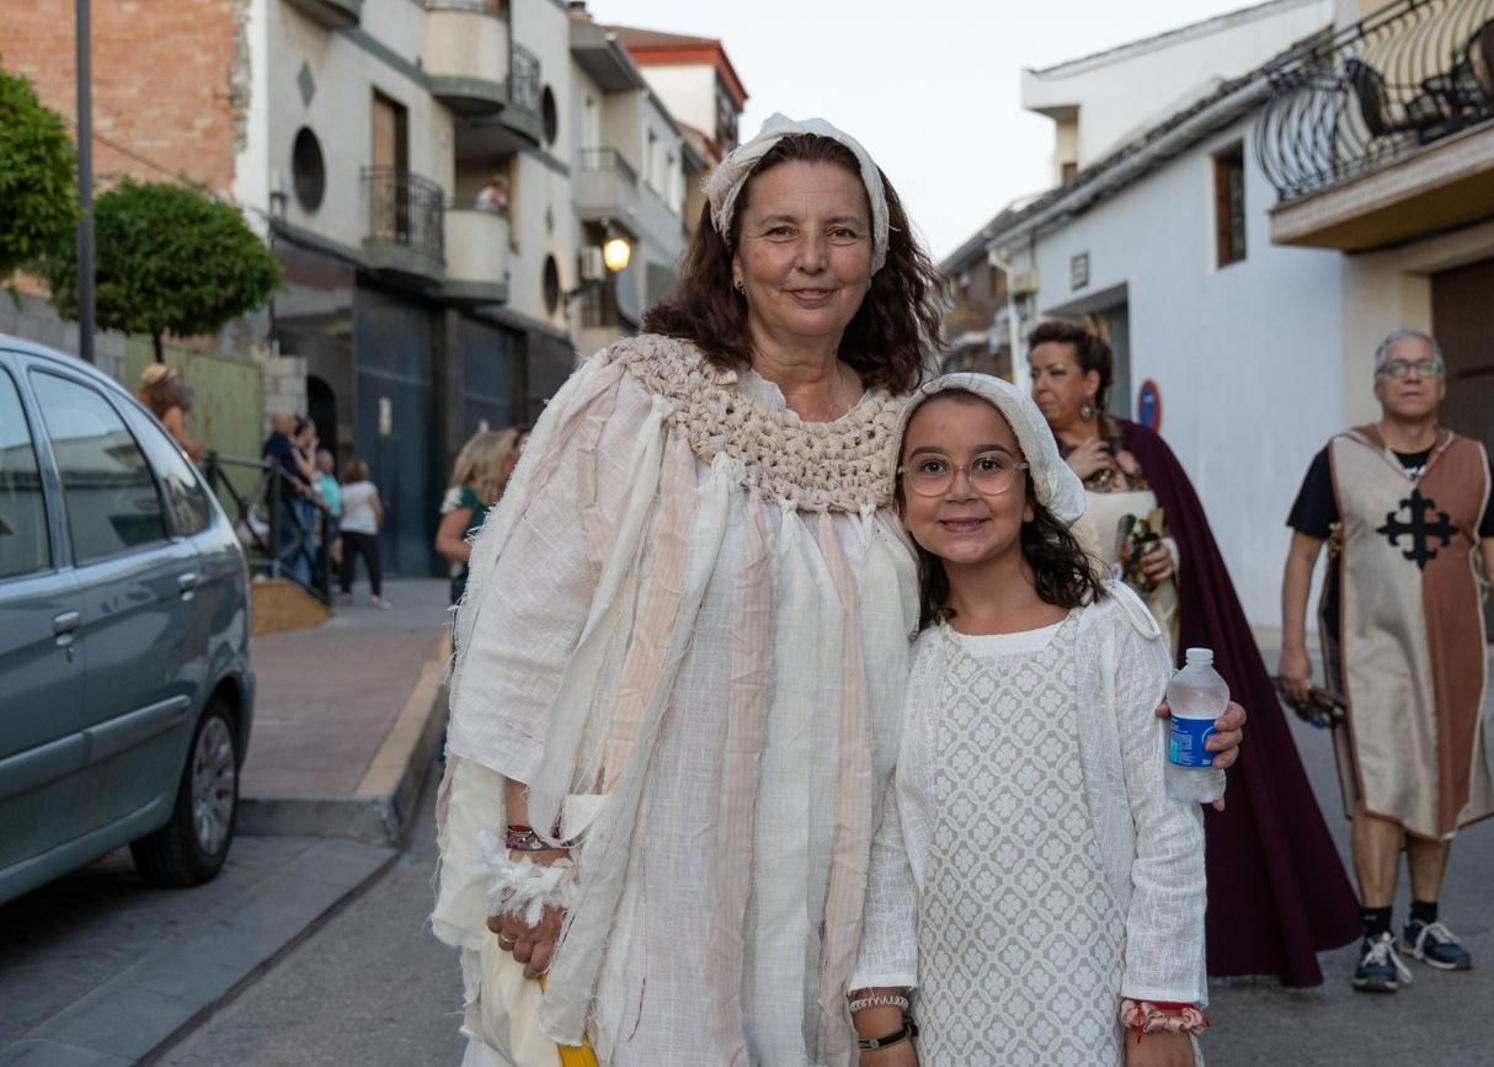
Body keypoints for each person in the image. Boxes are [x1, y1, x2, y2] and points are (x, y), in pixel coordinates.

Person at [431, 114, 1244, 1067]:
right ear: (731, 256)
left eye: (842, 232)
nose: (811, 260)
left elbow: (1001, 608)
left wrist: (1162, 709)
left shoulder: (904, 430)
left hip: (847, 880)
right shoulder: (636, 398)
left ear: (877, 255)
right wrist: (530, 853)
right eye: (780, 231)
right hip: (657, 855)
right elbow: (523, 638)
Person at [849, 374, 1207, 1067]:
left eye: (987, 464)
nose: (959, 489)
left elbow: (1168, 829)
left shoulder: (1110, 633)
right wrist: (881, 1016)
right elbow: (887, 847)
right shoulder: (901, 653)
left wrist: (1160, 1008)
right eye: (930, 466)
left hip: (1098, 1011)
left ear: (1032, 480)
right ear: (900, 494)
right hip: (954, 1018)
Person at [1028, 318, 1360, 987]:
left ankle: (1181, 941)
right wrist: (1060, 477)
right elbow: (1020, 546)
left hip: (1160, 640)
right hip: (1070, 650)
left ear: (1092, 381)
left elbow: (1191, 546)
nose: (1039, 386)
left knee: (1171, 792)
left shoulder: (1146, 448)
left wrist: (1166, 554)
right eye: (1033, 373)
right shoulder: (1027, 454)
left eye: (1054, 372)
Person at [1281, 328, 1494, 992]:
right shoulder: (1340, 457)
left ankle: (1424, 921)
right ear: (1377, 384)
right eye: (1395, 367)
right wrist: (1293, 647)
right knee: (1377, 786)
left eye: (1424, 365)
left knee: (1441, 779)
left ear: (1442, 381)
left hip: (1453, 652)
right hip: (1365, 650)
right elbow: (1303, 554)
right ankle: (1375, 930)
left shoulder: (1475, 461)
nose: (1410, 375)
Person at [437, 429, 520, 605]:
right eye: (509, 457)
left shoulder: (506, 495)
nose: (514, 461)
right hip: (472, 588)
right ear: (491, 460)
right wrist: (489, 555)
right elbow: (445, 542)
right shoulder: (467, 495)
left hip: (501, 588)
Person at [261, 411, 316, 586]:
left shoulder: (283, 442)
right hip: (283, 498)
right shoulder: (277, 443)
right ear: (280, 424)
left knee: (290, 538)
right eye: (290, 421)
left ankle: (284, 577)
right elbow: (274, 467)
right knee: (292, 538)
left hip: (286, 498)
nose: (293, 424)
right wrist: (294, 483)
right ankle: (280, 577)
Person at [338, 458, 388, 609]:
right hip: (365, 528)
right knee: (373, 563)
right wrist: (378, 524)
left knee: (347, 563)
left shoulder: (344, 490)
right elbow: (377, 508)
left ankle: (346, 593)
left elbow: (341, 510)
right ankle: (375, 596)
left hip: (347, 528)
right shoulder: (368, 488)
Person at [137, 363, 205, 460]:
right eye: (170, 386)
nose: (174, 391)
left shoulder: (158, 409)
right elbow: (182, 441)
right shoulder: (172, 412)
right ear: (158, 389)